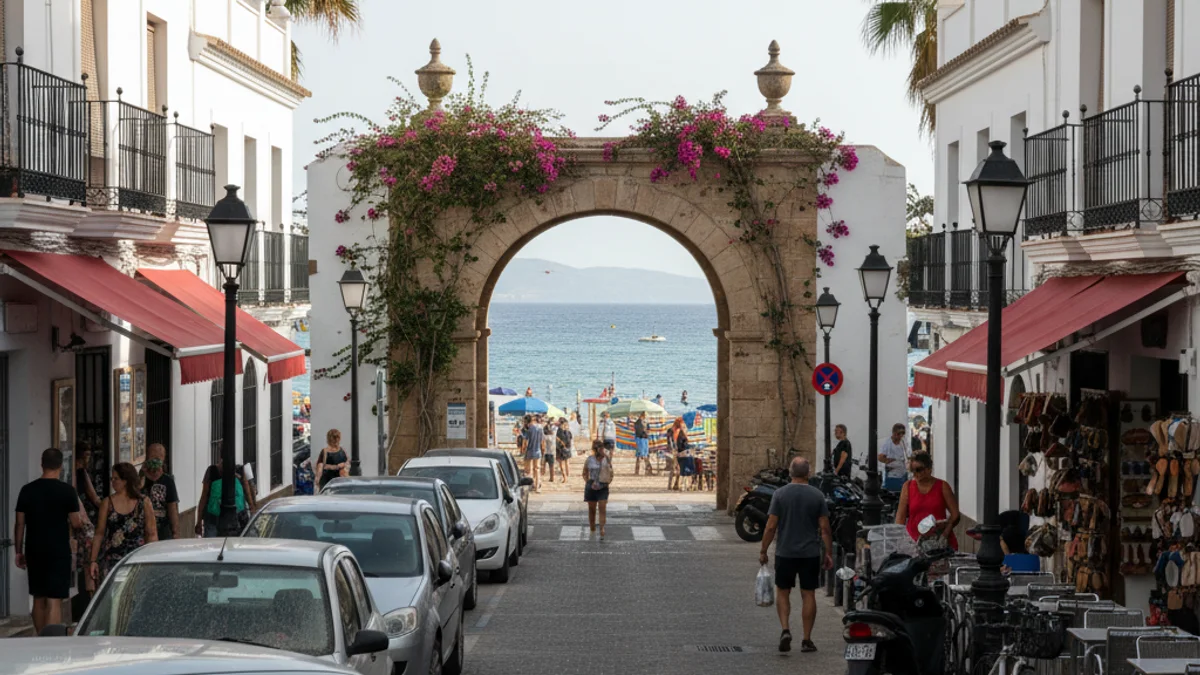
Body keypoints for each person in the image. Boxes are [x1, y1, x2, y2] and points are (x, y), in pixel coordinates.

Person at [758, 457, 832, 654]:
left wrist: (763, 550)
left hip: (785, 552)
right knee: (808, 594)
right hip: (810, 553)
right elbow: (825, 528)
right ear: (808, 473)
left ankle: (785, 629)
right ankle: (807, 639)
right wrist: (828, 552)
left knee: (783, 591)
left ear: (790, 473)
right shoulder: (817, 495)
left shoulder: (780, 494)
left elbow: (771, 526)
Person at [15, 448, 84, 634]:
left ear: (42, 464)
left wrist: (18, 551)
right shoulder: (67, 491)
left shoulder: (27, 490)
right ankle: (50, 640)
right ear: (60, 466)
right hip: (58, 550)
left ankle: (40, 636)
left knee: (38, 597)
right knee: (54, 599)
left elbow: (20, 523)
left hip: (34, 549)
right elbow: (76, 522)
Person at [89, 462, 157, 584]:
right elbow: (99, 533)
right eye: (112, 478)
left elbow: (151, 533)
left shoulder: (144, 502)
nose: (112, 482)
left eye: (116, 479)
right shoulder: (107, 503)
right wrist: (93, 560)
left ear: (125, 480)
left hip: (137, 559)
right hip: (112, 561)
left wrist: (151, 559)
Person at [894, 452, 959, 549]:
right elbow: (900, 518)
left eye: (918, 470)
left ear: (929, 469)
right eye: (912, 470)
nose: (915, 474)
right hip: (914, 542)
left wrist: (945, 533)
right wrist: (898, 541)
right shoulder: (907, 487)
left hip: (939, 541)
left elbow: (955, 515)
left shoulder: (942, 486)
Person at [195, 456, 257, 537]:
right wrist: (252, 509)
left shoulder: (211, 471)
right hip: (237, 518)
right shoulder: (239, 471)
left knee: (212, 542)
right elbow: (247, 492)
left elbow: (204, 497)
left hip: (213, 518)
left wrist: (199, 521)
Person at [140, 443, 179, 540]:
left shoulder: (168, 480)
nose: (156, 460)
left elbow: (172, 507)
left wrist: (175, 532)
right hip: (142, 529)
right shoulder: (141, 478)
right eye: (153, 456)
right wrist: (143, 474)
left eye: (160, 457)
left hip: (163, 529)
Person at [583, 439, 612, 539]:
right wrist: (588, 482)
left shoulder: (606, 459)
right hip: (591, 486)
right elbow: (585, 472)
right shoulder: (589, 459)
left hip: (603, 486)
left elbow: (611, 472)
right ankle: (592, 529)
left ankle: (602, 529)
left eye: (600, 447)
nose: (599, 449)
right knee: (592, 509)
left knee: (602, 508)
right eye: (597, 447)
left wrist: (607, 481)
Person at [74, 442, 102, 527]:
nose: (88, 458)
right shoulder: (72, 472)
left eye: (89, 455)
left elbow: (94, 496)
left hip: (86, 509)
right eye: (87, 454)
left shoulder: (82, 471)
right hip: (77, 510)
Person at [878, 423, 910, 492]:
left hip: (903, 475)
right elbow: (880, 457)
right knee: (892, 493)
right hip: (891, 476)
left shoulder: (903, 442)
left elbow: (908, 456)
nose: (900, 436)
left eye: (902, 434)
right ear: (893, 433)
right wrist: (888, 461)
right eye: (898, 434)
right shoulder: (887, 443)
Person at [521, 415, 545, 493]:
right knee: (537, 469)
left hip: (529, 451)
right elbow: (542, 441)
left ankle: (531, 485)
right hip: (538, 451)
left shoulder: (529, 429)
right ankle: (537, 487)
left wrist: (523, 449)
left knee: (528, 470)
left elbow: (525, 441)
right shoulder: (540, 428)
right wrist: (543, 450)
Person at [667, 417, 690, 491]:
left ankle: (673, 484)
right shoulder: (680, 431)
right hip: (680, 452)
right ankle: (679, 484)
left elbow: (669, 442)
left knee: (675, 468)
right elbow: (685, 442)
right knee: (680, 468)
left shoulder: (670, 430)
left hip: (675, 451)